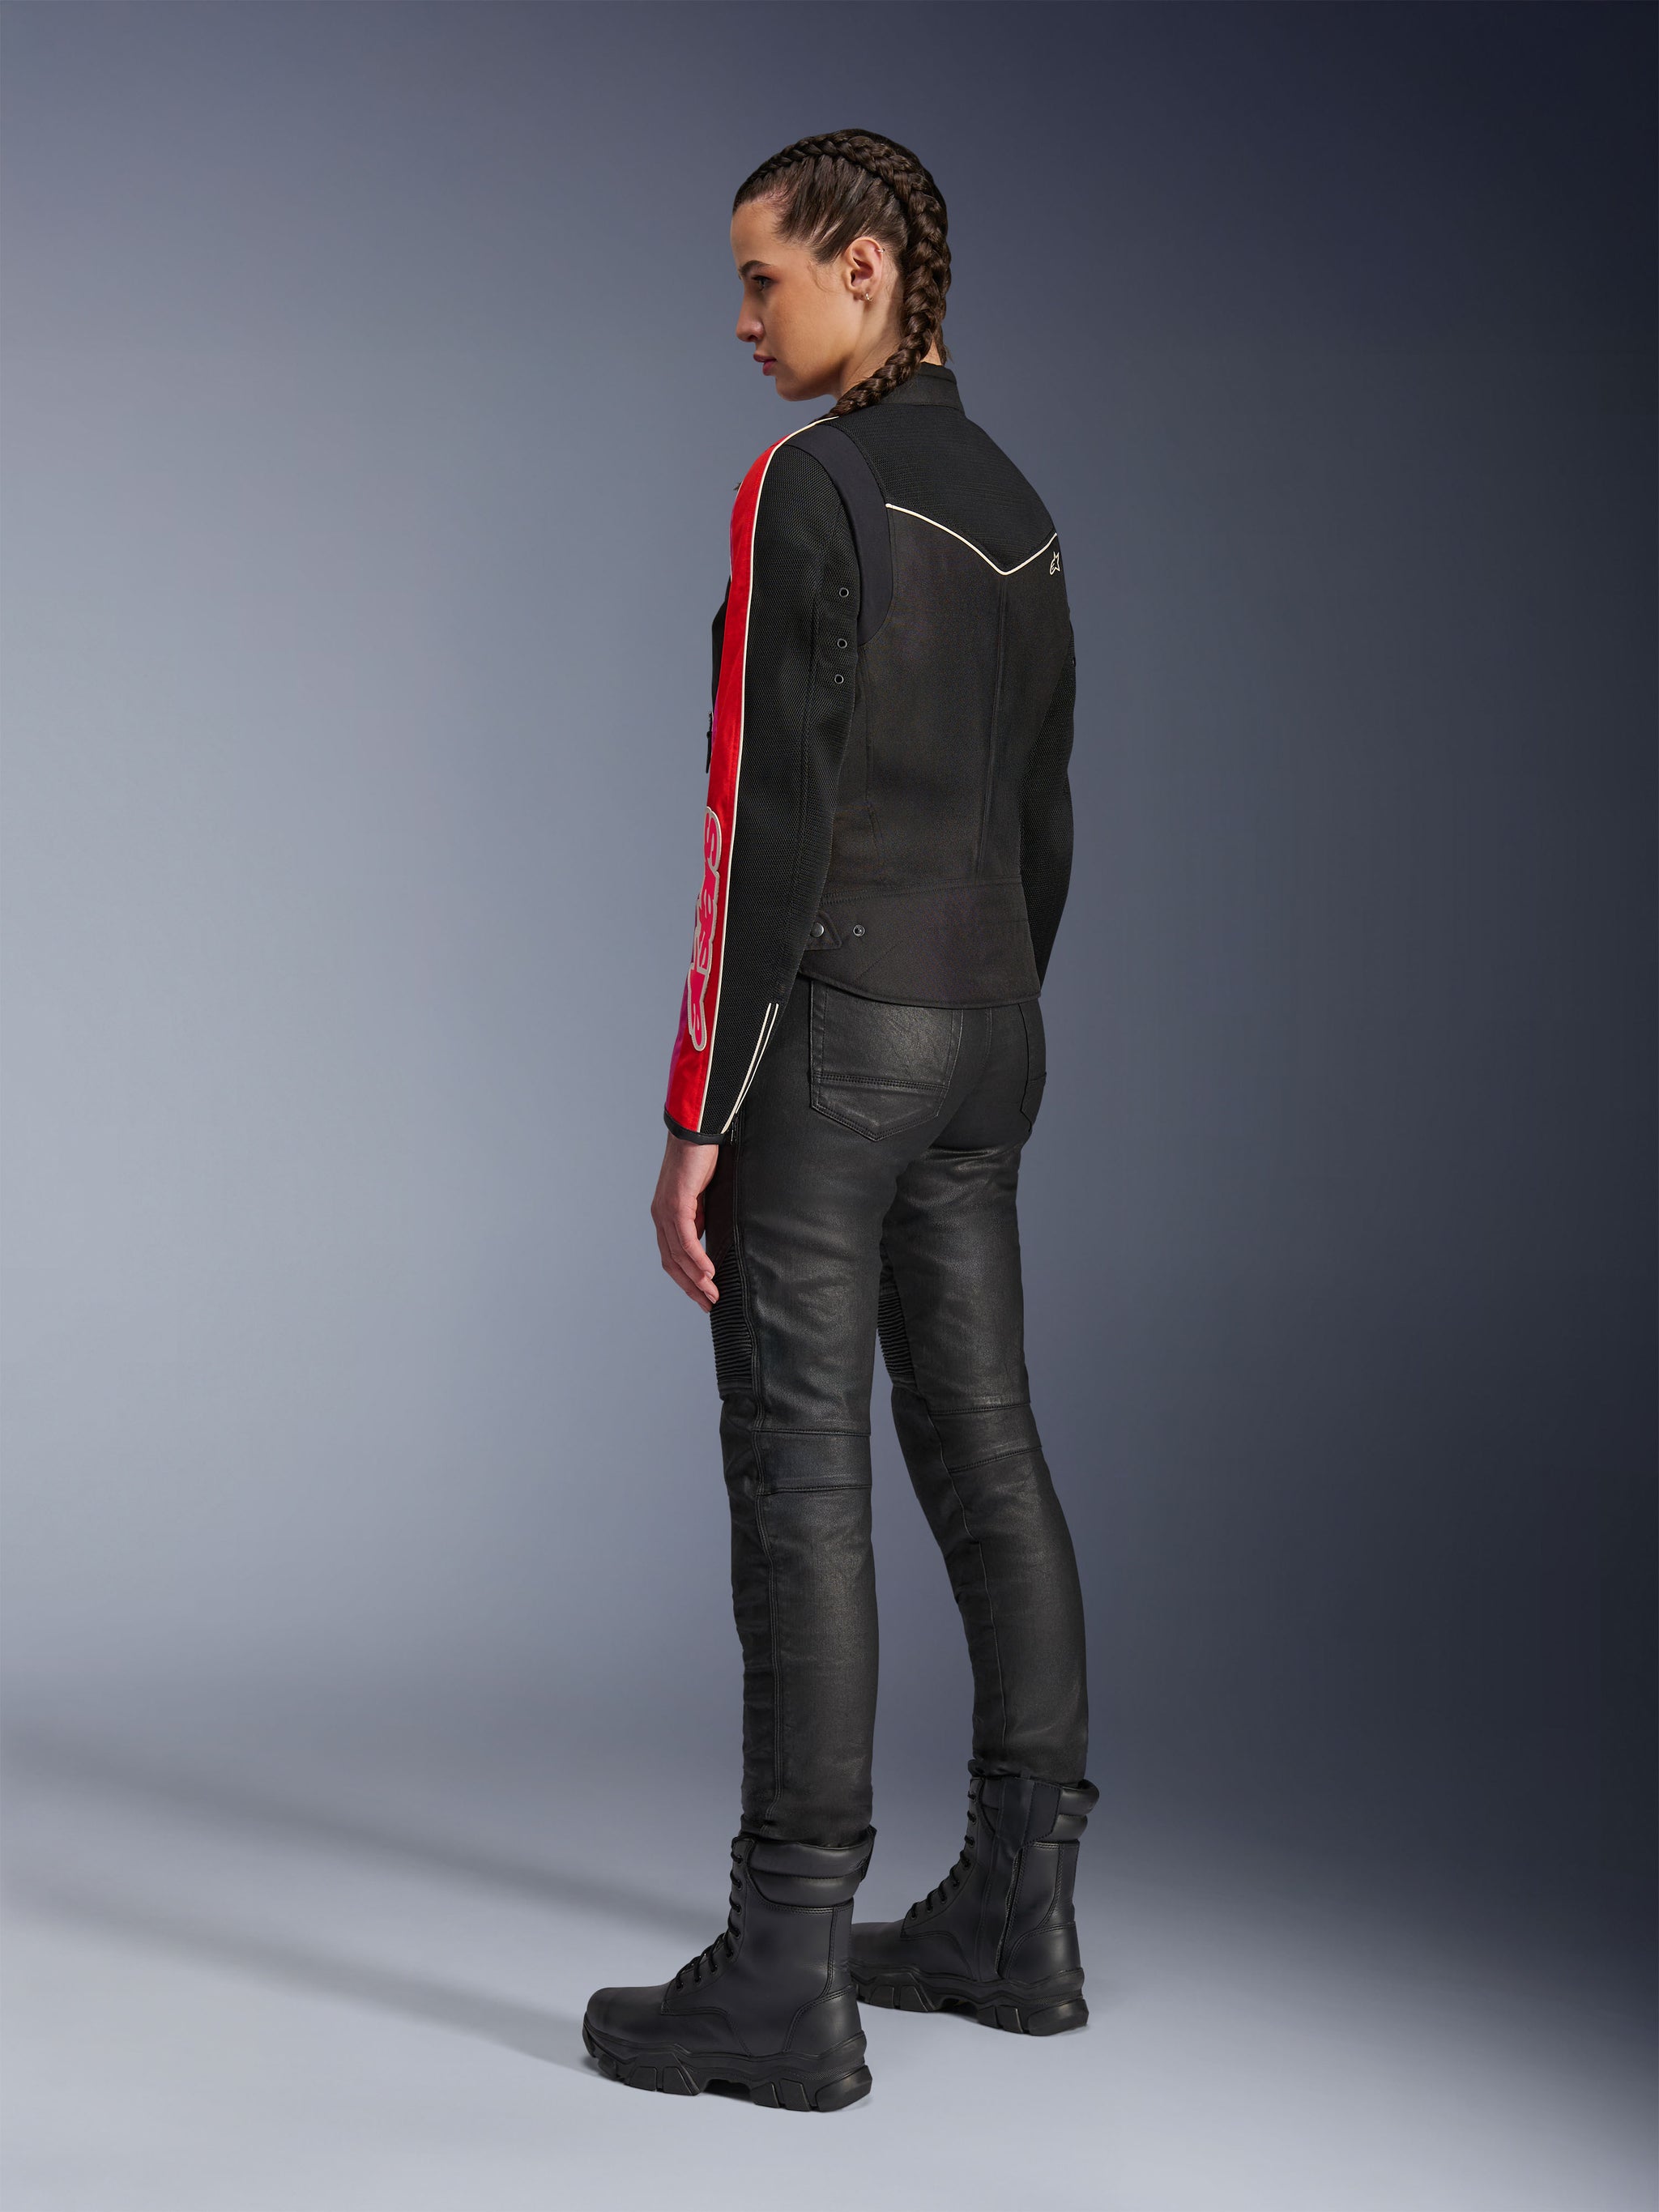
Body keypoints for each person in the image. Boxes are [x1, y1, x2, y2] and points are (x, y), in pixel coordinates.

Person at [583, 129, 1098, 2114]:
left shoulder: (811, 483)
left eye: (763, 278)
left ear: (865, 269)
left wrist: (697, 1108)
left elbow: (761, 817)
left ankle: (783, 1979)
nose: (741, 320)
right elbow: (1043, 810)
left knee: (800, 1476)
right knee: (986, 1444)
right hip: (987, 1024)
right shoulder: (1021, 502)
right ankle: (1015, 1920)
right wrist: (990, 1008)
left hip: (832, 1044)